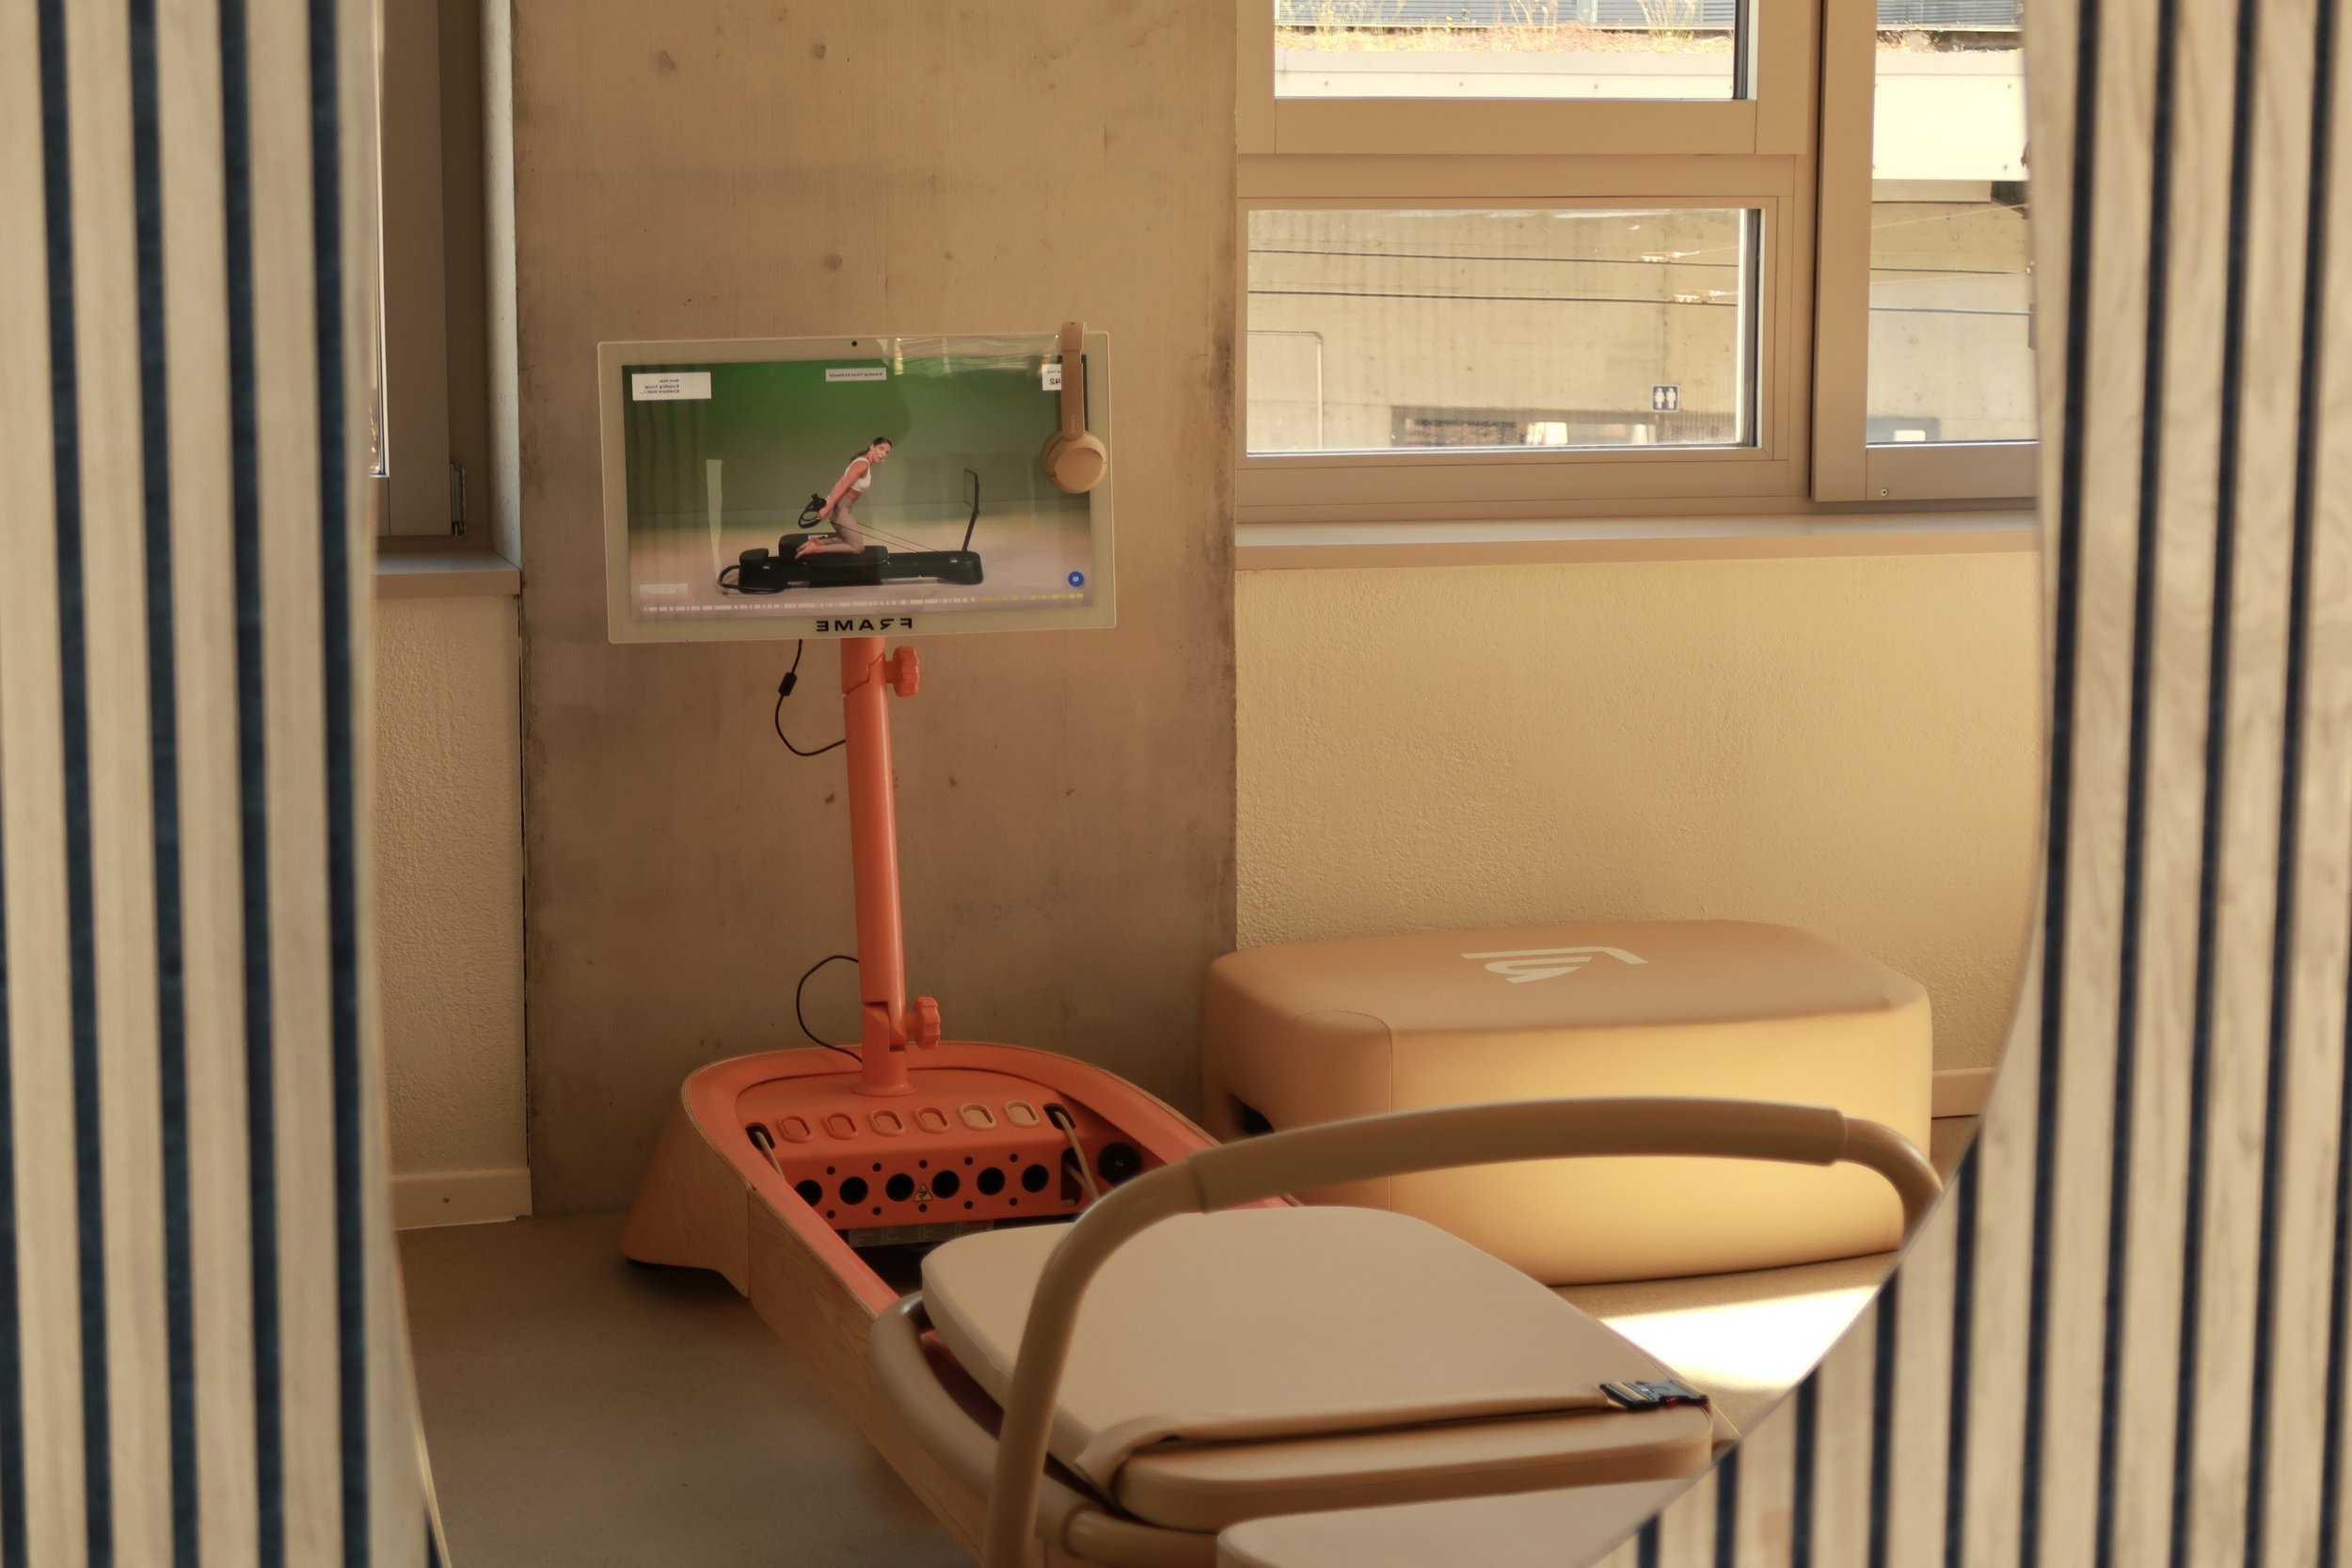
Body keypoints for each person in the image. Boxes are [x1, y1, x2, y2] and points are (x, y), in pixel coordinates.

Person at [796, 436, 893, 558]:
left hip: (842, 507)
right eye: (881, 449)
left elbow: (841, 481)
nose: (883, 454)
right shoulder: (862, 464)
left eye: (887, 452)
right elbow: (843, 485)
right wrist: (828, 507)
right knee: (857, 547)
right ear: (872, 447)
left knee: (849, 540)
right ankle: (816, 549)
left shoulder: (864, 462)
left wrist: (828, 500)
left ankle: (816, 542)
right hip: (839, 507)